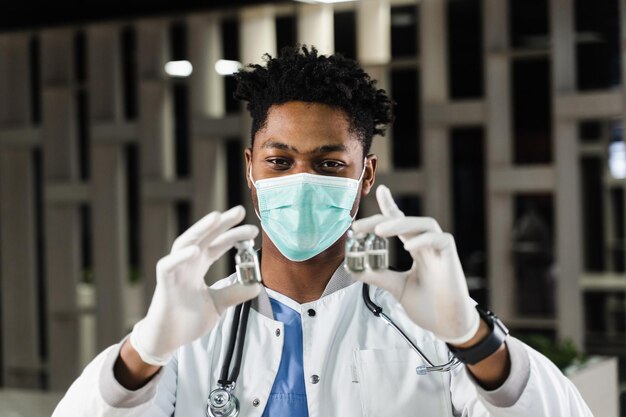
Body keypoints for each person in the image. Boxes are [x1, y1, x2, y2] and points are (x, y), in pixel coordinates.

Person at [52, 45, 592, 416]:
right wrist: (143, 350)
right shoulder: (189, 335)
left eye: (330, 163)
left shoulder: (429, 325)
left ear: (366, 174)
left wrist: (472, 337)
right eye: (280, 161)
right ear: (250, 167)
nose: (302, 181)